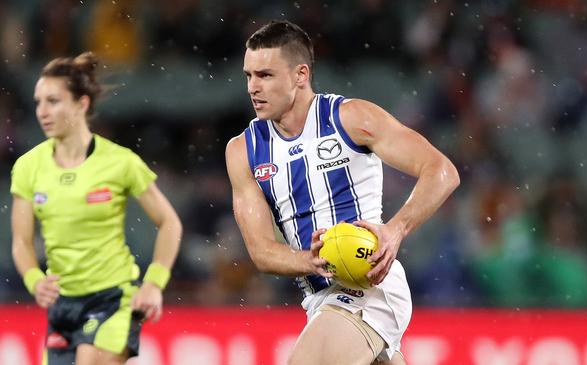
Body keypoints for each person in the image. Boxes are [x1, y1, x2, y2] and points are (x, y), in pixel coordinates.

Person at [226, 20, 459, 365]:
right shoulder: (243, 151)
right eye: (249, 76)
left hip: (370, 287)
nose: (253, 87)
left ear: (300, 75)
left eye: (265, 75)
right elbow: (261, 252)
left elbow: (441, 172)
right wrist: (311, 261)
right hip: (318, 301)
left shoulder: (350, 118)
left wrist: (395, 230)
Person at [10, 52, 183, 365]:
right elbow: (21, 241)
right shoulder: (27, 167)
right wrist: (34, 279)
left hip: (112, 296)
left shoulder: (120, 162)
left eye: (53, 101)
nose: (42, 112)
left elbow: (170, 222)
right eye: (38, 102)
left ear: (82, 104)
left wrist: (154, 283)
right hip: (63, 304)